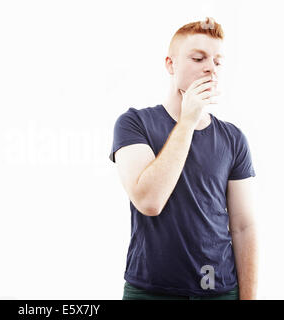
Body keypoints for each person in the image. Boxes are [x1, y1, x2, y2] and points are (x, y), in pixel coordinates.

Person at [109, 17, 258, 300]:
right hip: (150, 291)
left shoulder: (233, 138)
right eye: (198, 57)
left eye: (217, 61)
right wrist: (188, 119)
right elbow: (149, 201)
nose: (210, 67)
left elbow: (243, 226)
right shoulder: (134, 123)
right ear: (170, 65)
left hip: (219, 290)